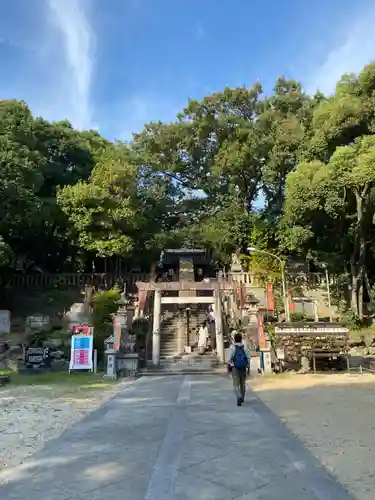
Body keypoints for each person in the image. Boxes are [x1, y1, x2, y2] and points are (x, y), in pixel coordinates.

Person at [227, 332, 250, 406]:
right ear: (241, 339)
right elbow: (248, 357)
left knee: (236, 384)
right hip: (243, 367)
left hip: (235, 367)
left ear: (234, 339)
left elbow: (229, 359)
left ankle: (239, 396)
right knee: (243, 383)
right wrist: (248, 366)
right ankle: (242, 397)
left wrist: (229, 366)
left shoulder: (232, 347)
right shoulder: (245, 347)